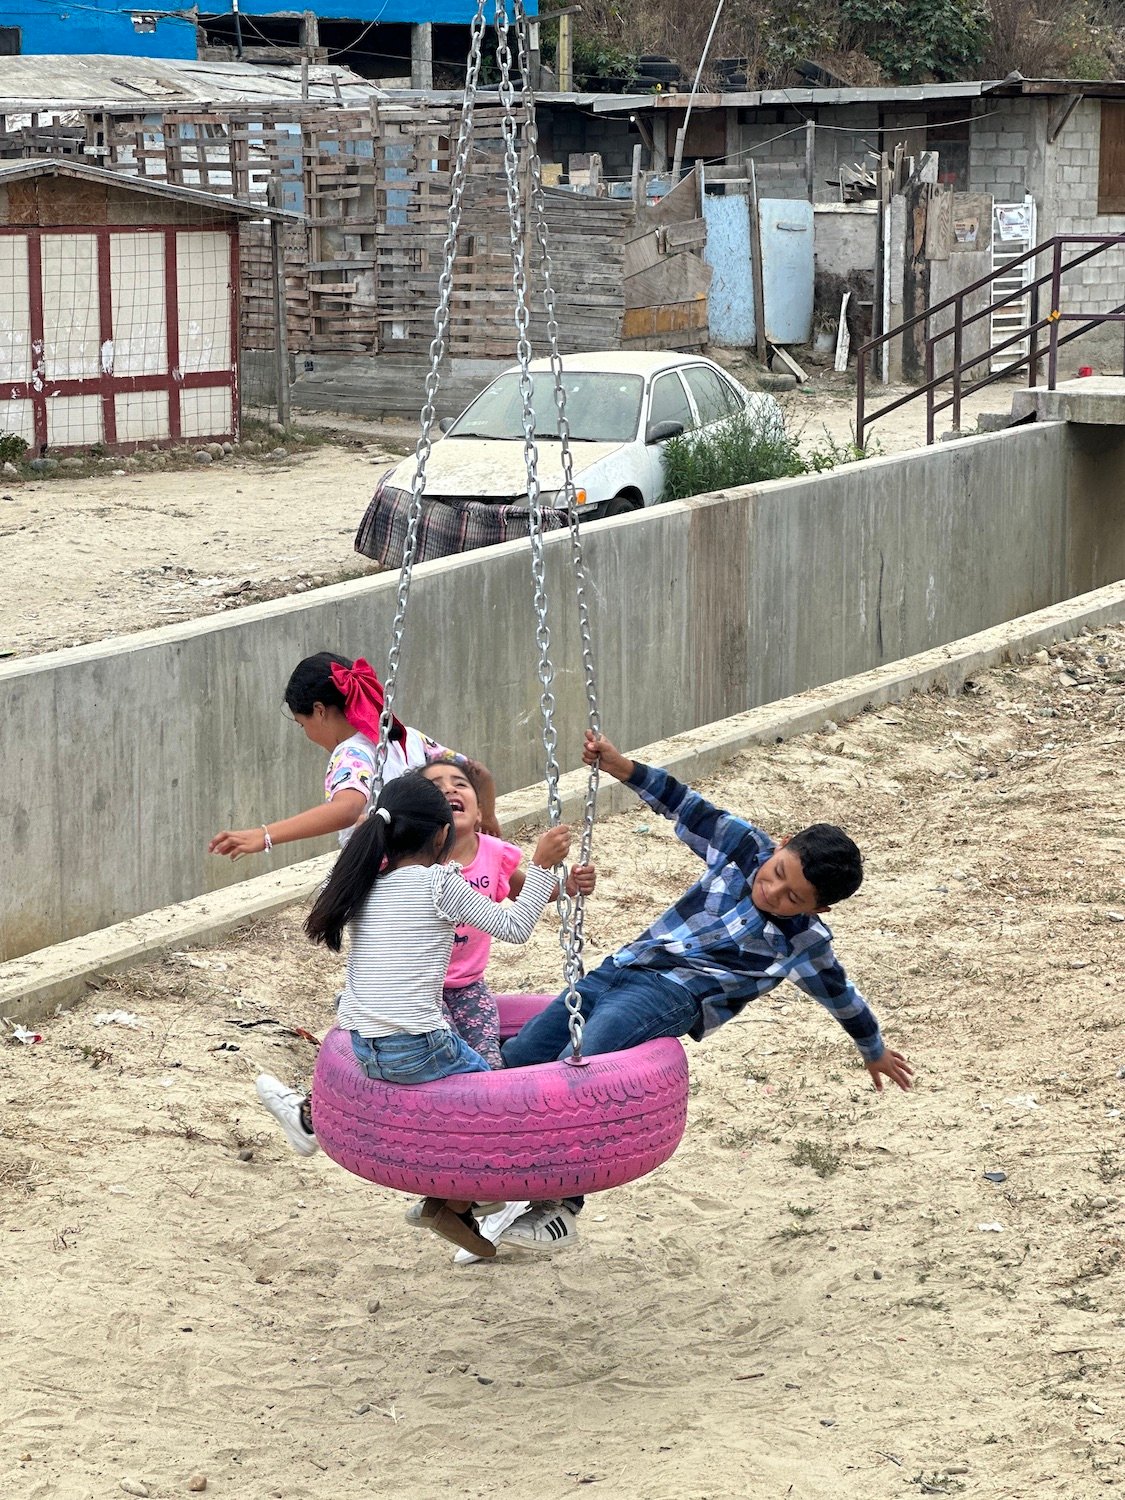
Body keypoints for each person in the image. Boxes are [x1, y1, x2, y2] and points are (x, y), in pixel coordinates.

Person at [497, 729, 915, 1253]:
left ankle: (560, 1207)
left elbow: (843, 999)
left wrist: (873, 1051)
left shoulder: (803, 941)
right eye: (778, 873)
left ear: (817, 910)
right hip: (622, 965)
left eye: (793, 898)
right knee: (522, 1054)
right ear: (780, 846)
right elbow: (684, 805)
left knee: (580, 1064)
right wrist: (621, 766)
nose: (773, 891)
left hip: (671, 994)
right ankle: (493, 1169)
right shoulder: (744, 847)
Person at [303, 770, 572, 1257]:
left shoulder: (366, 883)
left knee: (464, 1106)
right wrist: (542, 867)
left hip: (366, 1049)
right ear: (442, 834)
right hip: (417, 1046)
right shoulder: (435, 884)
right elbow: (514, 926)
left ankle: (452, 1203)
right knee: (499, 1101)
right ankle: (458, 1199)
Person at [208, 651, 498, 860]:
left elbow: (346, 809)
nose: (307, 734)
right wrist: (489, 817)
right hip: (432, 861)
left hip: (385, 874)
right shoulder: (406, 736)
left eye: (302, 724)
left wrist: (266, 835)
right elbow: (479, 771)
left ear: (319, 711)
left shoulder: (351, 753)